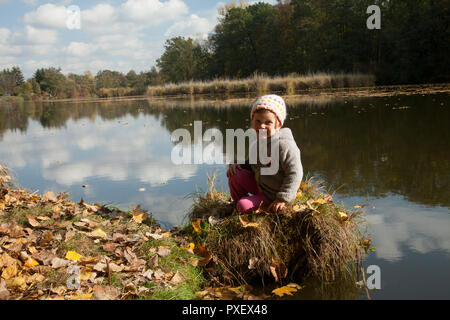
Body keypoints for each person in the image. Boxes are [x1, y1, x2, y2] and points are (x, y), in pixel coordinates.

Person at [227, 94, 303, 214]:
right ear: (252, 122)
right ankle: (238, 203)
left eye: (268, 122)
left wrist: (282, 198)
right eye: (258, 121)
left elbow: (295, 173)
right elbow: (252, 163)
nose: (262, 126)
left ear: (278, 125)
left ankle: (248, 205)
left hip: (274, 194)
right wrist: (236, 164)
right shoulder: (259, 141)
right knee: (235, 174)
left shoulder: (284, 145)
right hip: (261, 186)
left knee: (243, 205)